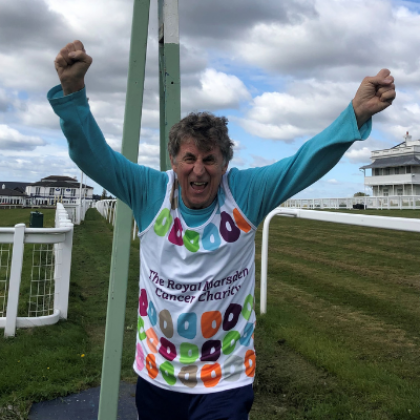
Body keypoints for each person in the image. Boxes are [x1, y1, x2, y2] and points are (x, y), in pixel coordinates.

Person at [49, 40, 396, 420]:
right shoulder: (150, 191)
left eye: (210, 159)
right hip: (157, 376)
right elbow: (92, 156)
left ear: (225, 162)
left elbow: (304, 162)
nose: (199, 170)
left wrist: (355, 115)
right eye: (190, 158)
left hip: (225, 380)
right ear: (173, 160)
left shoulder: (244, 193)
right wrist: (72, 93)